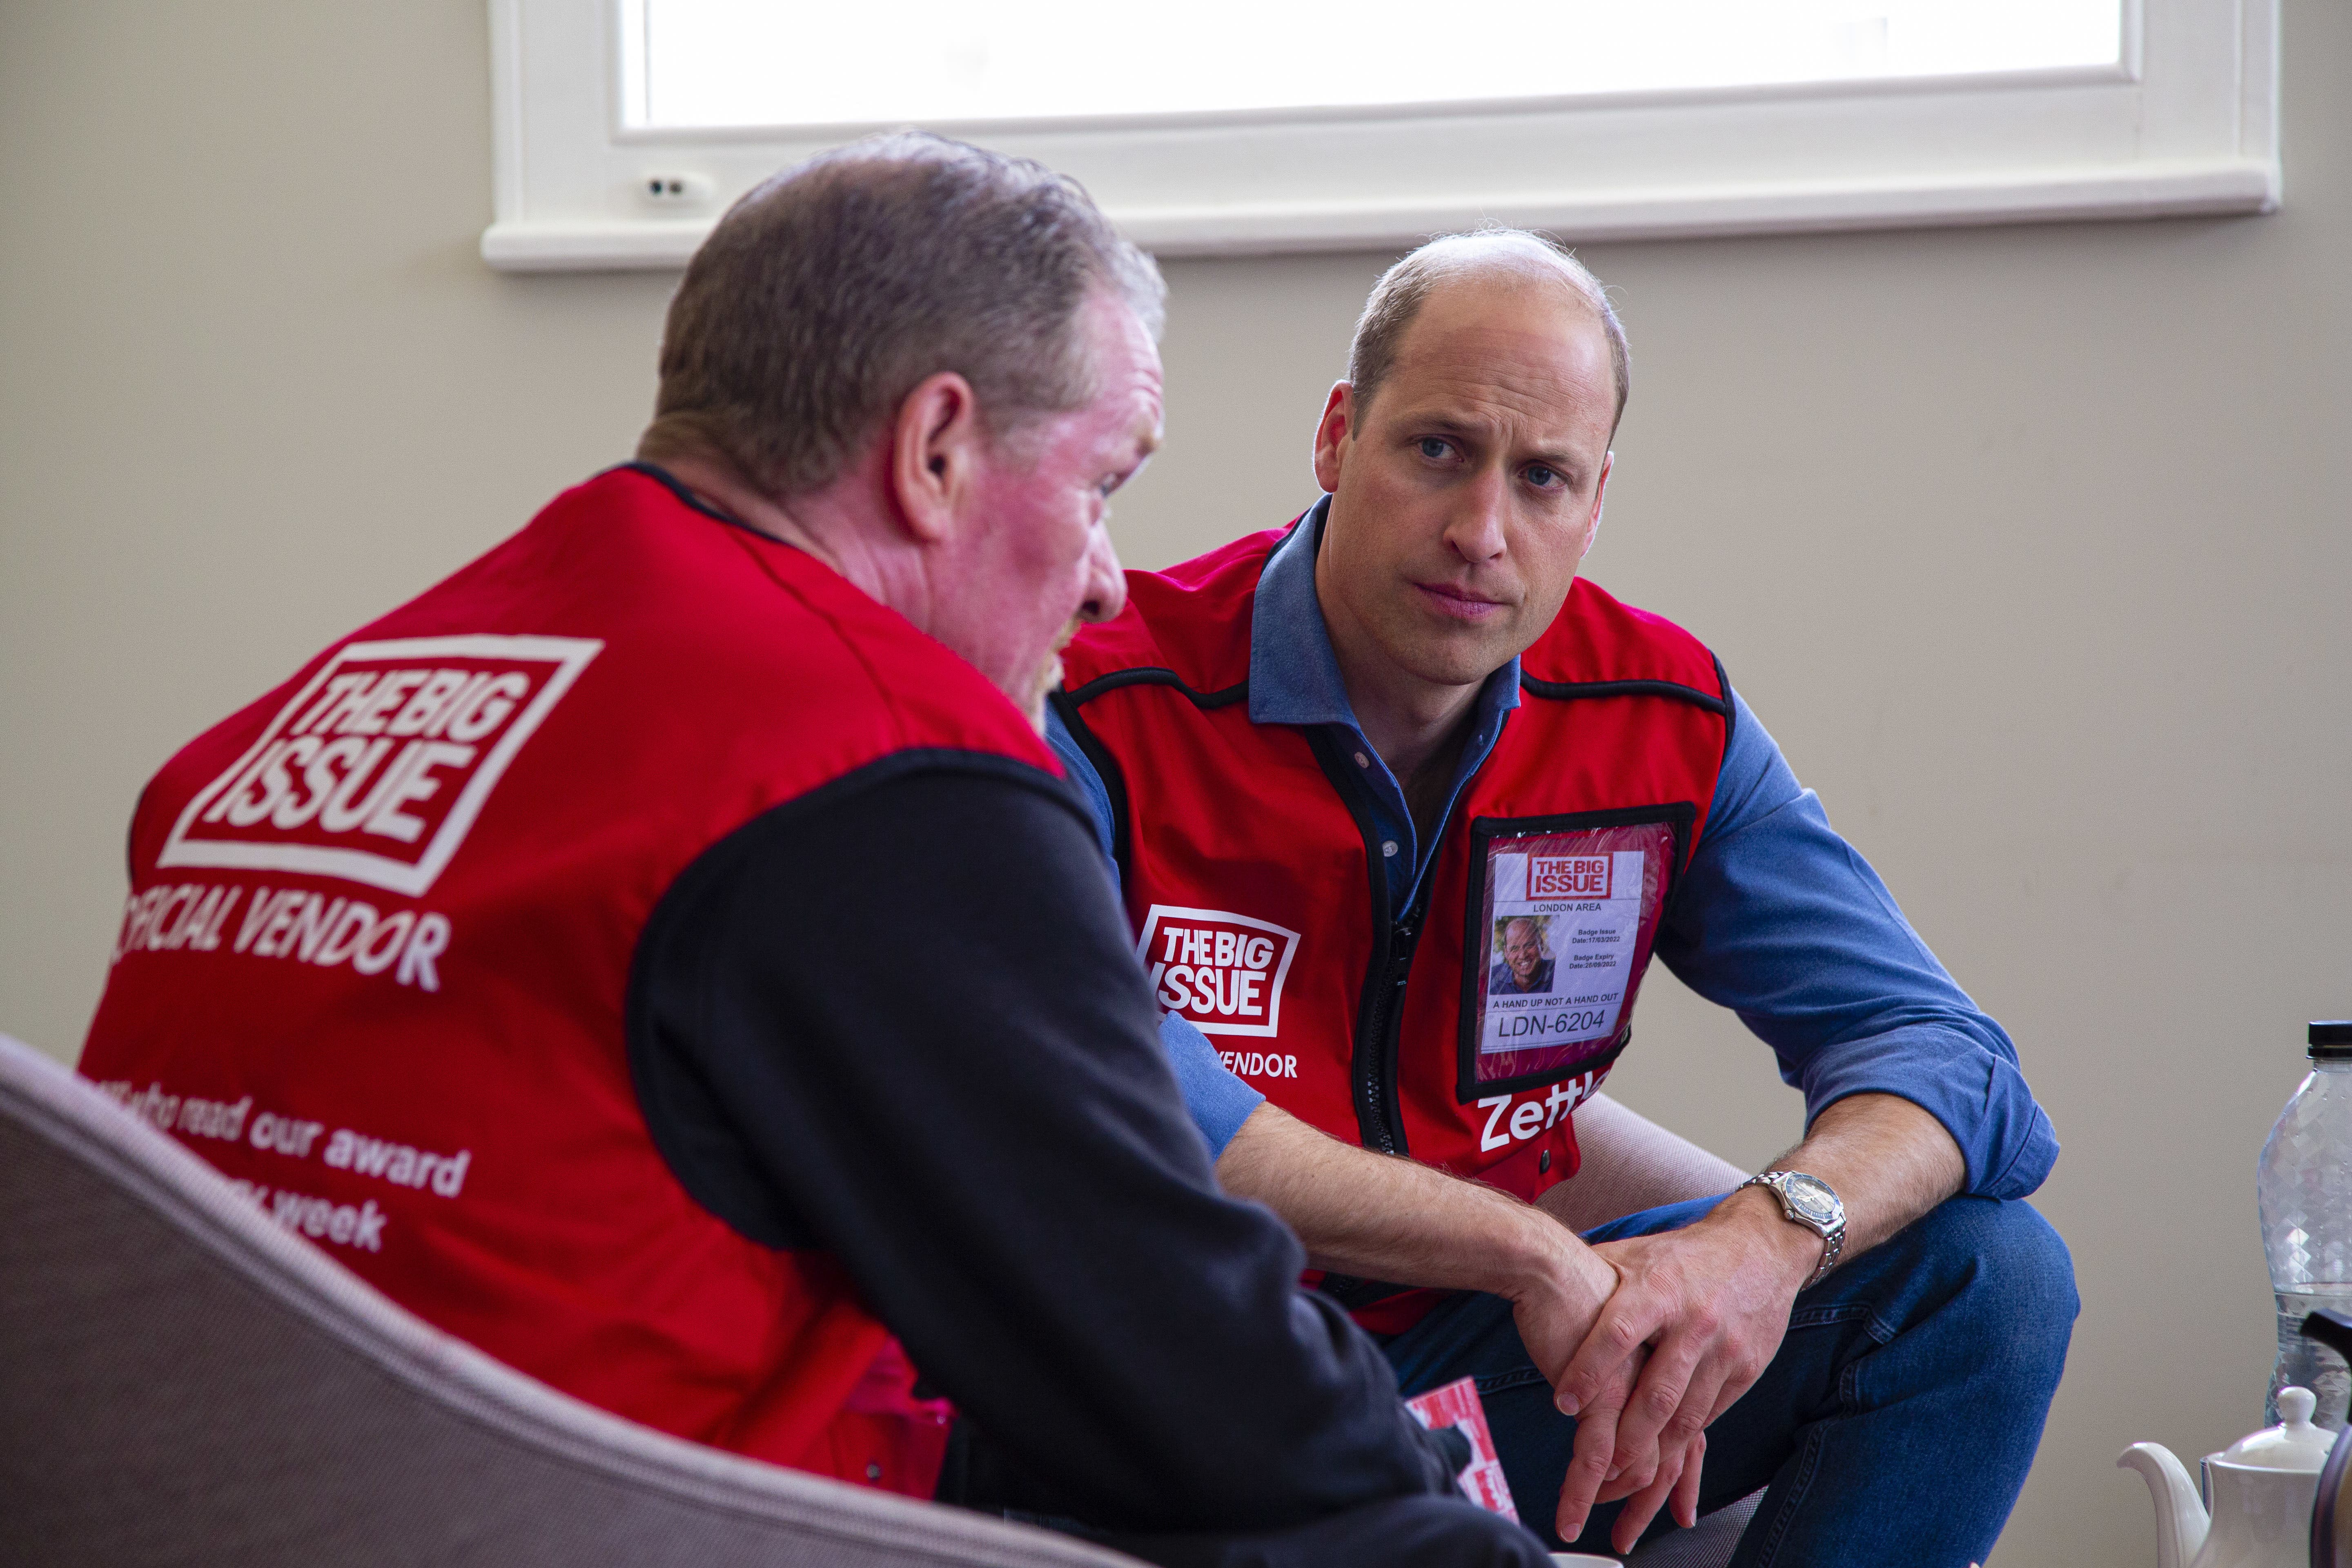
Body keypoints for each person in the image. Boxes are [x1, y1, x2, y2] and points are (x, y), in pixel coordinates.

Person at [76, 137, 1550, 1568]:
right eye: (1103, 485)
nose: (1107, 582)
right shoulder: (876, 768)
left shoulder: (323, 708)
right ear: (934, 449)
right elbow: (1192, 1383)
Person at [1047, 230, 2078, 1566]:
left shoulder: (1659, 718)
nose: (1483, 533)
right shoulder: (1107, 701)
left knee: (1986, 1280)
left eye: (1543, 479)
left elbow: (1952, 1064)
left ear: (1596, 503)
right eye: (1437, 450)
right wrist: (1528, 1253)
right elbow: (1112, 1105)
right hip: (1171, 1388)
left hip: (1486, 1378)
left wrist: (1761, 1245)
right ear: (1337, 437)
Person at [1488, 917, 1553, 996]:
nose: (1523, 955)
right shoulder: (1493, 977)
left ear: (1542, 945)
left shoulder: (1558, 972)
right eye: (1515, 948)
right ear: (1506, 952)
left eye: (1529, 945)